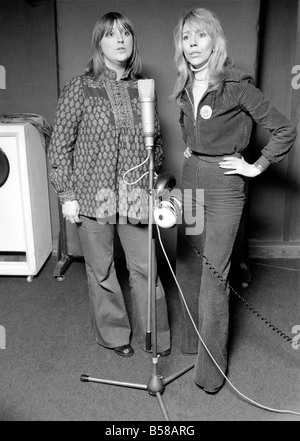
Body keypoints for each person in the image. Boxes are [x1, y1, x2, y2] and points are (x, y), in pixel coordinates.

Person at [172, 8, 296, 393]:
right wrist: (191, 152)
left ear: (215, 40)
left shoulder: (236, 84)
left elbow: (284, 129)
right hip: (192, 180)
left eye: (200, 36)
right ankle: (191, 344)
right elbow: (188, 128)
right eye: (186, 37)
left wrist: (256, 166)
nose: (193, 45)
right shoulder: (183, 84)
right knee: (191, 263)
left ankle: (210, 374)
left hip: (225, 187)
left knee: (214, 277)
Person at [48, 12, 171, 358]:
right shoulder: (80, 87)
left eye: (126, 34)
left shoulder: (141, 89)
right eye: (112, 34)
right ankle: (115, 335)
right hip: (91, 194)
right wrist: (67, 195)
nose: (120, 40)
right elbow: (60, 145)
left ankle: (155, 338)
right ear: (99, 43)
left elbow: (156, 144)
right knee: (101, 269)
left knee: (145, 268)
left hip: (134, 193)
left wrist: (150, 183)